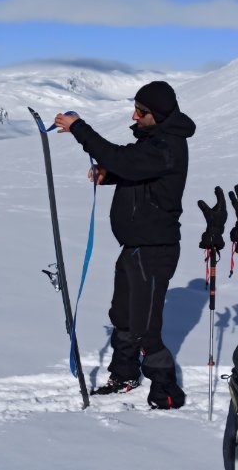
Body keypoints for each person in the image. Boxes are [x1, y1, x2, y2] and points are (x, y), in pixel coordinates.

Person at [53, 81, 195, 410]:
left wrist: (79, 129)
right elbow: (137, 171)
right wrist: (110, 176)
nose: (134, 115)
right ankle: (125, 375)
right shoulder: (155, 142)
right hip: (134, 246)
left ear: (157, 115)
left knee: (146, 328)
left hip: (153, 249)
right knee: (123, 316)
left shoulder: (166, 146)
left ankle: (167, 392)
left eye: (141, 111)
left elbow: (124, 159)